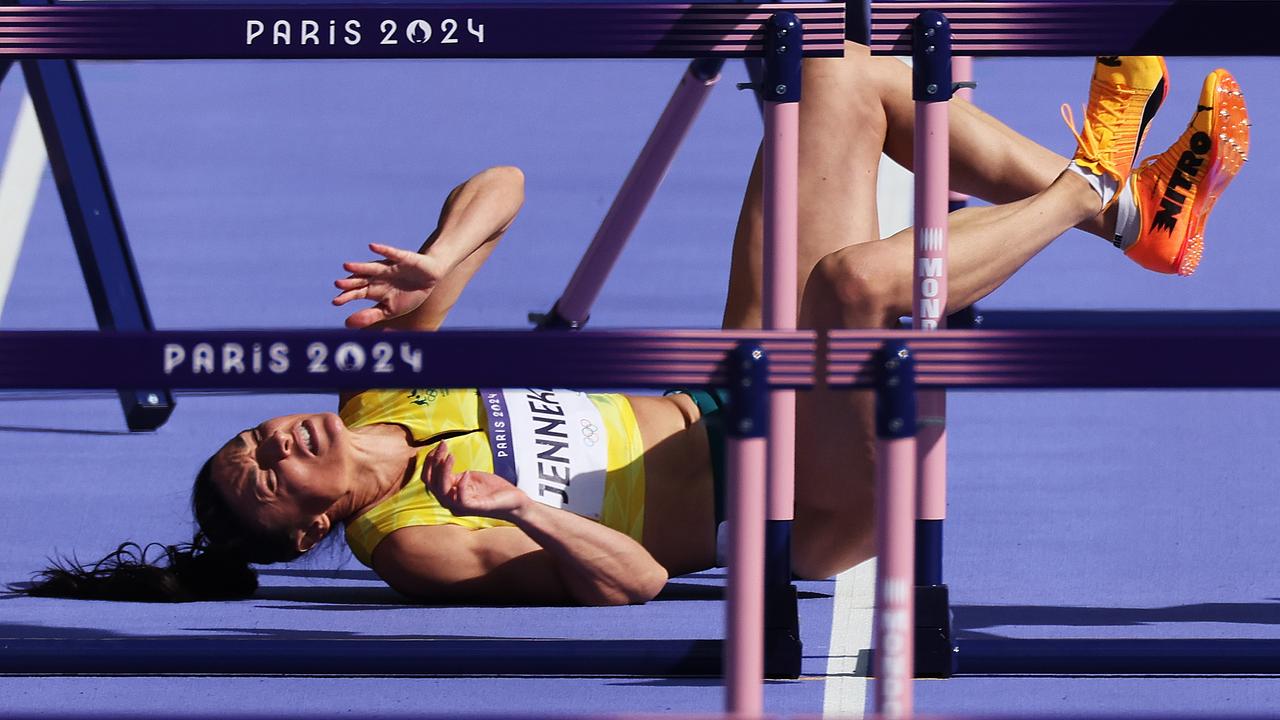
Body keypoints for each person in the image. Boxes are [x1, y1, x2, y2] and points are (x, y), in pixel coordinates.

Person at [22, 50, 1249, 606]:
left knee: (834, 65)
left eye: (249, 440)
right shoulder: (416, 539)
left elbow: (500, 183)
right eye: (263, 480)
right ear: (306, 535)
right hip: (792, 502)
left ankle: (1139, 216)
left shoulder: (376, 397)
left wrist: (441, 260)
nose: (271, 443)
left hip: (726, 376)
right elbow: (640, 580)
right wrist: (517, 510)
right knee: (847, 297)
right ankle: (1093, 183)